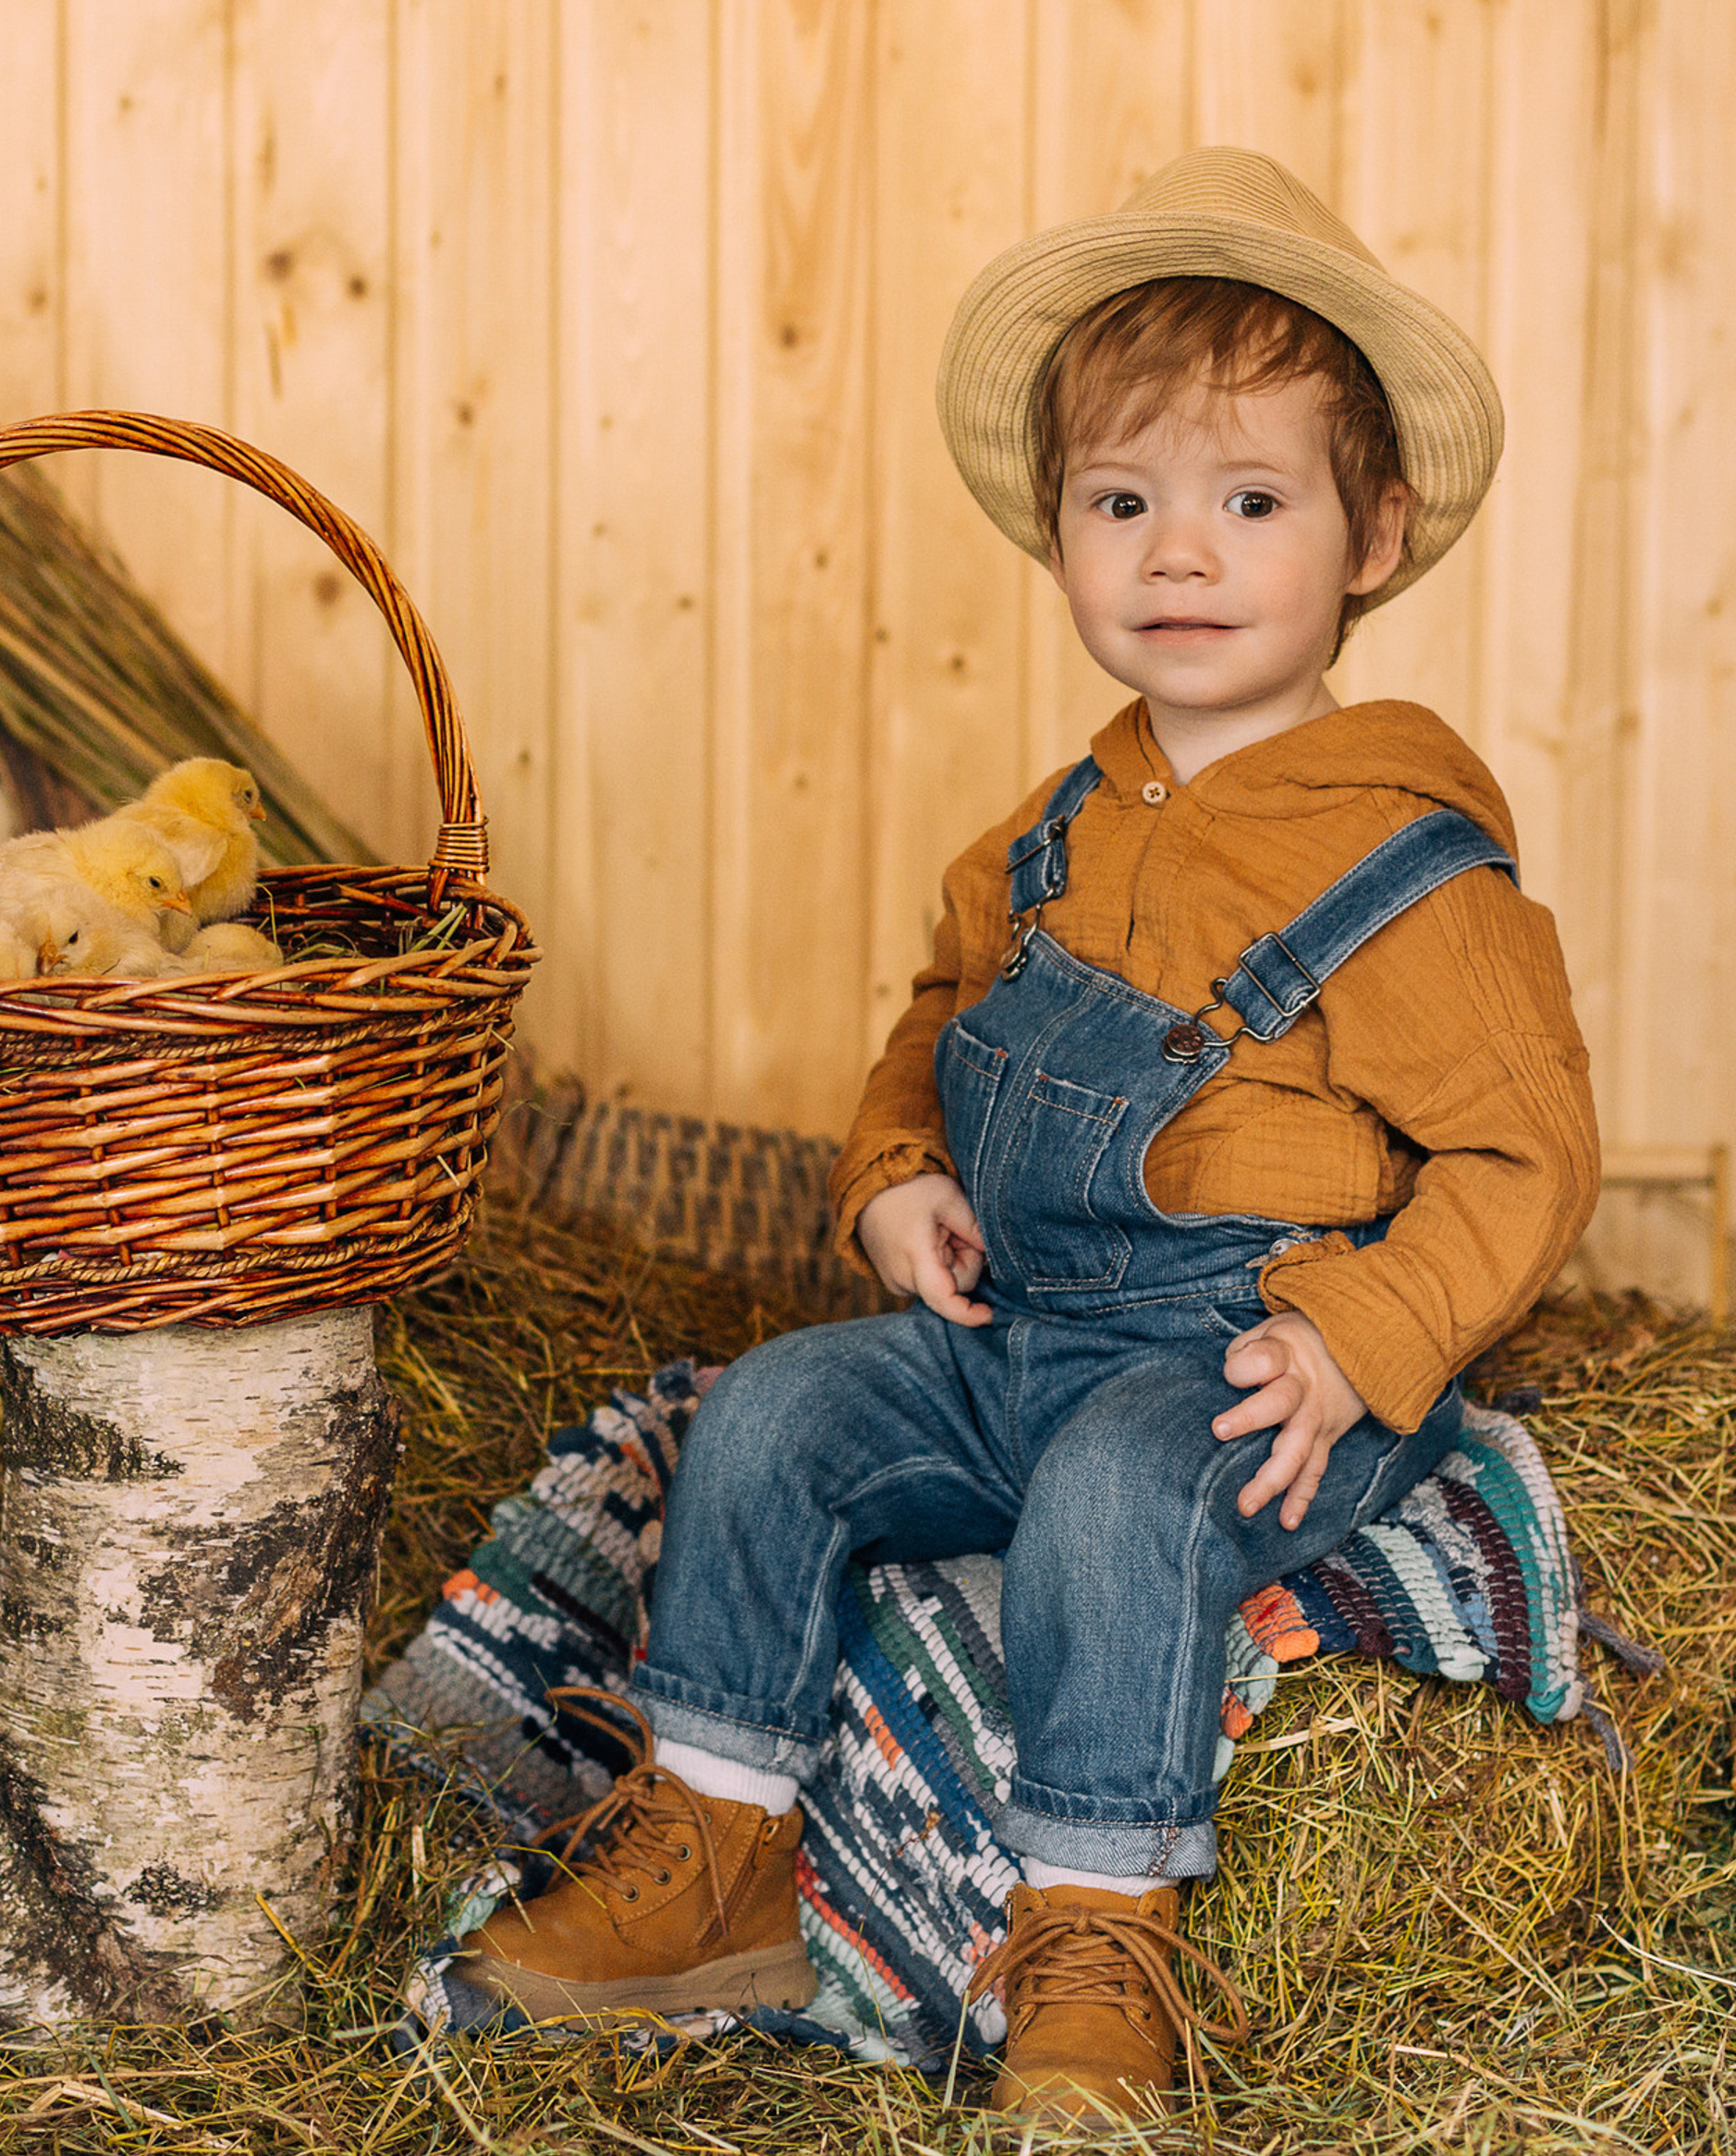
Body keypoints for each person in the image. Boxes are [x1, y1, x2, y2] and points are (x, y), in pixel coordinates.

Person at [451, 149, 1599, 2129]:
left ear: (1370, 536)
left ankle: (1092, 1935)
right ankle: (715, 1852)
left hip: (1254, 1361)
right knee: (779, 1413)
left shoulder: (1404, 864)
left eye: (1248, 502)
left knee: (1113, 1499)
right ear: (1059, 530)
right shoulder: (1051, 831)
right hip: (1027, 1326)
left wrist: (1362, 1336)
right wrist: (889, 1172)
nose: (1178, 552)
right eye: (1121, 501)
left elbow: (1526, 1153)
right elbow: (934, 1020)